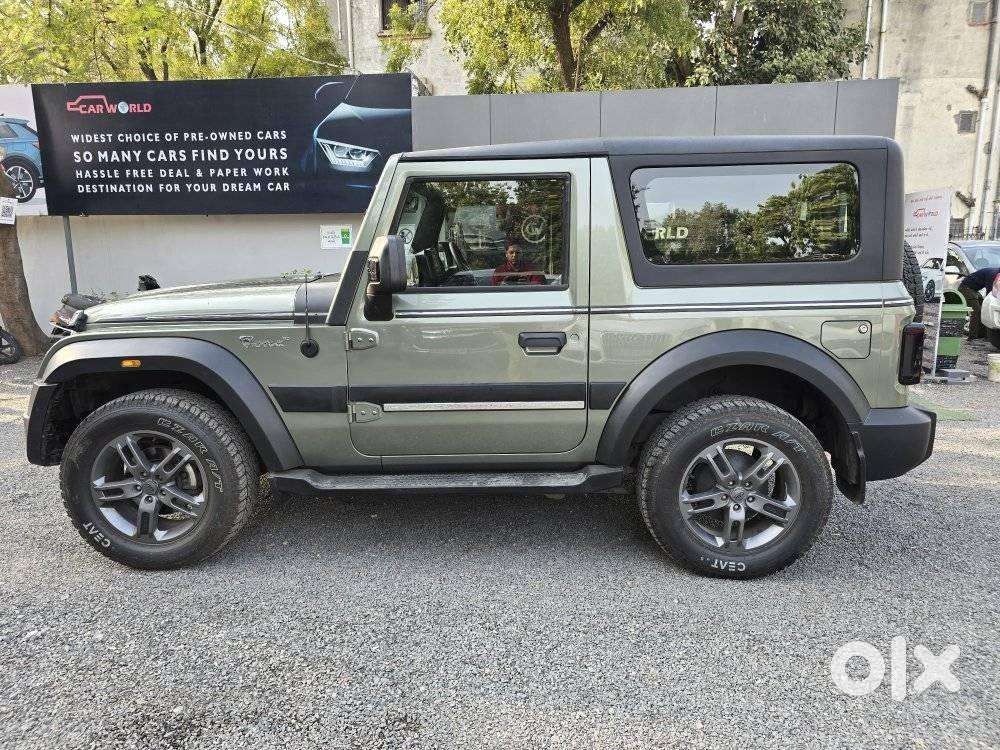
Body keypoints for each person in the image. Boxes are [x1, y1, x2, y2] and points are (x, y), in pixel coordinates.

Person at [957, 265, 1000, 340]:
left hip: (974, 290)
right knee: (976, 311)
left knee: (983, 311)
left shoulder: (997, 273)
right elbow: (990, 292)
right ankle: (972, 337)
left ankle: (981, 335)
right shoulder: (993, 274)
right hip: (966, 288)